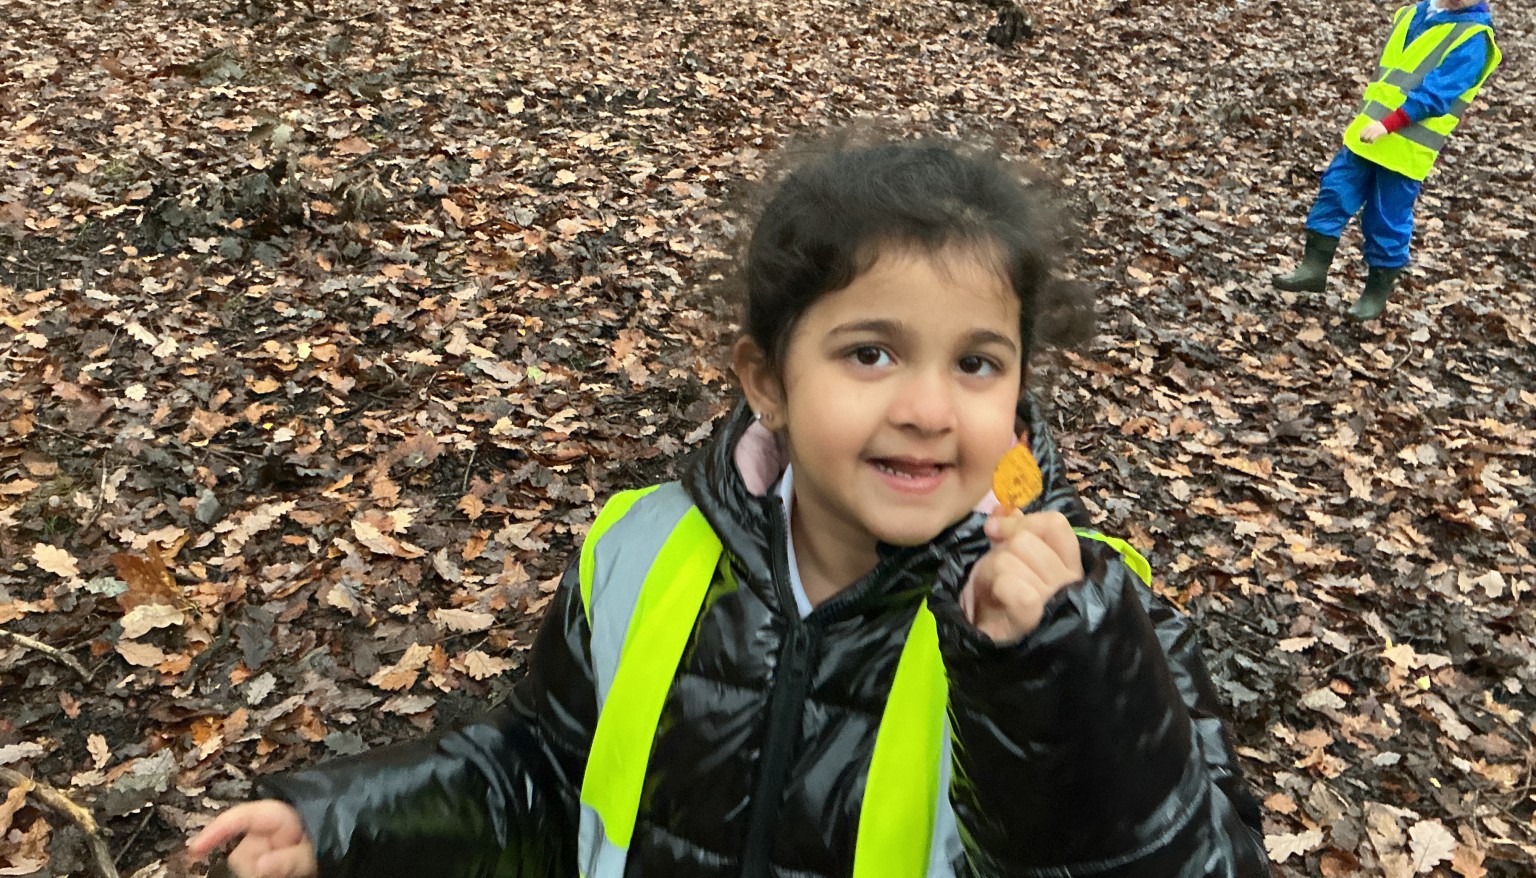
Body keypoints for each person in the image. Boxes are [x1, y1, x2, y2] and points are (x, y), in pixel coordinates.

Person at [188, 139, 1268, 877]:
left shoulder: (1093, 623)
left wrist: (1057, 684)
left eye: (977, 362)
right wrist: (349, 824)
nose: (929, 409)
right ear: (766, 382)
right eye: (871, 352)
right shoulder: (642, 552)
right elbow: (545, 776)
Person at [1273, 0, 1500, 321]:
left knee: (1386, 219)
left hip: (1406, 148)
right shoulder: (1410, 14)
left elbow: (1438, 95)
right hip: (1366, 134)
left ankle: (1375, 293)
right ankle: (1313, 268)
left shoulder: (1474, 38)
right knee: (1334, 192)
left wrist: (1388, 124)